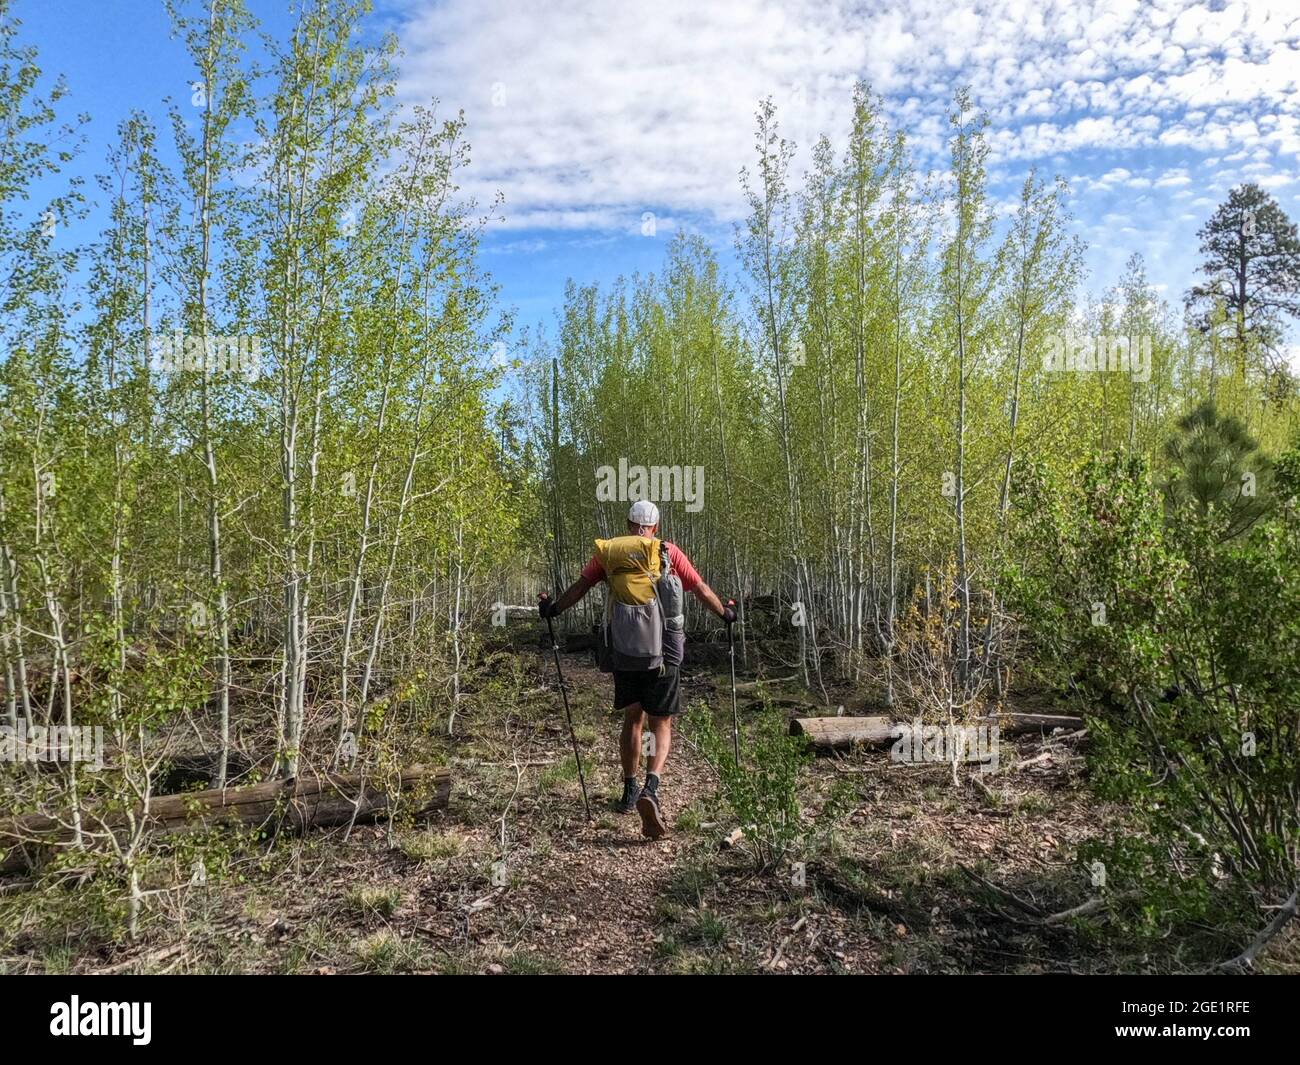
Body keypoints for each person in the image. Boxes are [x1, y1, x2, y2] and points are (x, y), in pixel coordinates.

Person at [540, 499, 735, 839]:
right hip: (663, 652)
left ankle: (629, 790)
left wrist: (553, 609)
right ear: (655, 527)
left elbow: (581, 587)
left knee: (634, 717)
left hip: (625, 649)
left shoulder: (610, 554)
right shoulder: (668, 552)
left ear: (630, 524)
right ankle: (652, 788)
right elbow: (701, 589)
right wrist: (726, 614)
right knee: (661, 722)